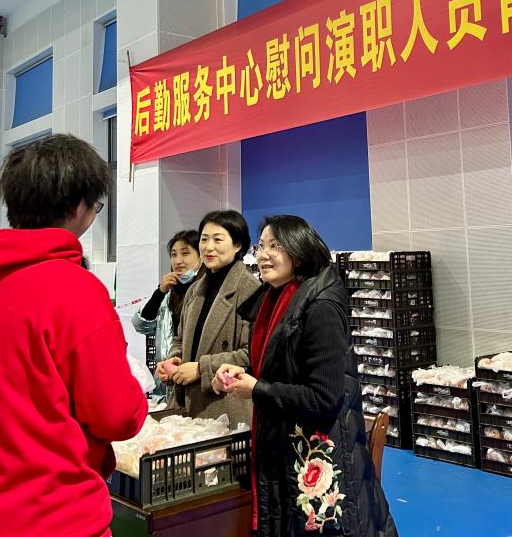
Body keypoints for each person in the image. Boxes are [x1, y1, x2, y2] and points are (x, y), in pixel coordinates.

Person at [0, 134, 148, 537]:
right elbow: (117, 415)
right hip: (53, 517)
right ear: (79, 206)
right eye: (96, 206)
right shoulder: (74, 289)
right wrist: (138, 393)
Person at [215, 215, 397, 537]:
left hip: (319, 455)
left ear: (298, 252)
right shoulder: (273, 298)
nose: (263, 255)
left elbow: (323, 397)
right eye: (261, 246)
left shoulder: (320, 306)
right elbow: (279, 366)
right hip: (282, 446)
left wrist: (258, 389)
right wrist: (243, 374)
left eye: (275, 246)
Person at [157, 210, 259, 428]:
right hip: (187, 406)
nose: (208, 247)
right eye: (204, 239)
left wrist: (201, 368)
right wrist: (174, 359)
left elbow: (251, 354)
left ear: (237, 245)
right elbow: (180, 338)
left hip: (225, 407)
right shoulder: (195, 289)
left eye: (217, 240)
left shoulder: (250, 289)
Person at [132, 229, 201, 406]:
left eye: (185, 253)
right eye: (173, 254)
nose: (178, 261)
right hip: (166, 381)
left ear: (201, 257)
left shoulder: (205, 293)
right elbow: (142, 325)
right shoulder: (169, 295)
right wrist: (160, 291)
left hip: (195, 380)